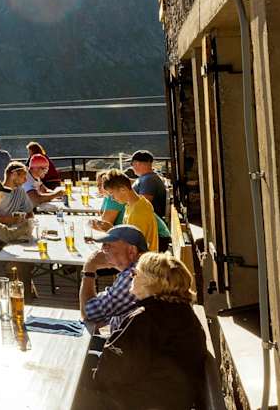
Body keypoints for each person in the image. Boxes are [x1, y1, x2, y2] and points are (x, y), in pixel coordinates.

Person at [88, 253, 206, 409]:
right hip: (167, 397)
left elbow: (108, 375)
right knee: (89, 359)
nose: (131, 276)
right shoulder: (180, 311)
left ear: (151, 281)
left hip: (143, 402)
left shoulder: (147, 318)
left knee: (76, 380)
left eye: (135, 273)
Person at [79, 224, 147, 333]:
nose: (102, 250)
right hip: (129, 339)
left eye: (108, 245)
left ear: (132, 251)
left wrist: (89, 270)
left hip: (126, 346)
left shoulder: (133, 276)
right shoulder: (141, 267)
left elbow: (88, 314)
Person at [90, 170, 159, 252]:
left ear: (123, 189)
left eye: (112, 194)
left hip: (142, 260)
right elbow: (129, 235)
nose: (112, 199)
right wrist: (111, 228)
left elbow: (133, 248)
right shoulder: (135, 203)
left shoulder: (137, 213)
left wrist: (108, 233)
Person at [130, 150, 168, 219]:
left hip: (147, 220)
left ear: (137, 163)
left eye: (132, 164)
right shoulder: (148, 177)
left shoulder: (148, 180)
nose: (132, 167)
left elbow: (143, 205)